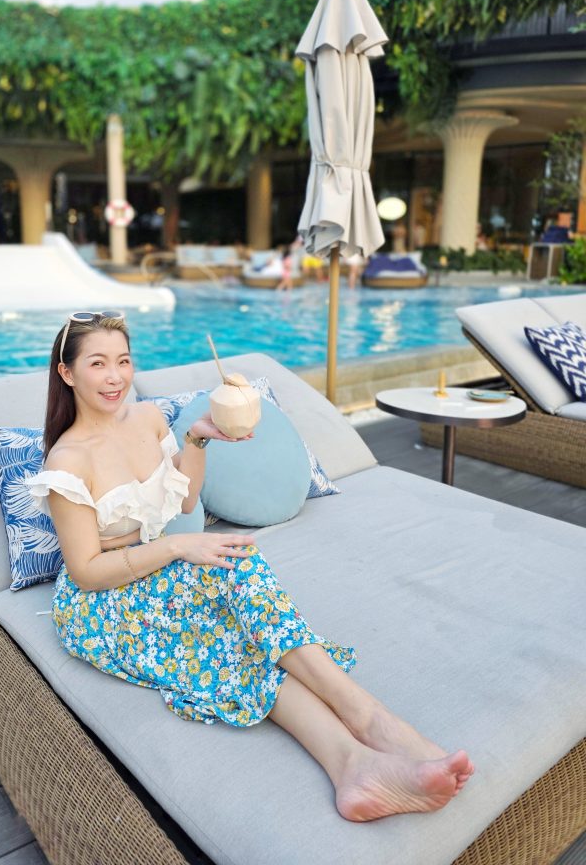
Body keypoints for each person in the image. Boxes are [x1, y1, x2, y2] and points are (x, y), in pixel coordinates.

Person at [26, 312, 473, 822]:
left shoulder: (147, 418)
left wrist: (197, 441)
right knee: (233, 596)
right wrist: (179, 548)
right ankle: (370, 725)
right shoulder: (67, 461)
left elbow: (183, 500)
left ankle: (356, 765)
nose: (115, 377)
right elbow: (86, 570)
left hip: (153, 570)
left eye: (123, 361)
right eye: (98, 364)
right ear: (67, 373)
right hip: (101, 605)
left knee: (241, 589)